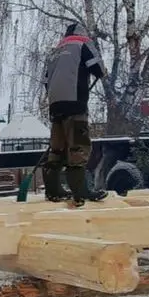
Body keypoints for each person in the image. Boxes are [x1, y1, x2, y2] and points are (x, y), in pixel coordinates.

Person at [43, 22, 106, 206]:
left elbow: (46, 81)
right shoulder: (83, 43)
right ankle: (80, 190)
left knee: (58, 147)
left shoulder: (55, 51)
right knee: (78, 145)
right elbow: (99, 70)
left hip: (55, 104)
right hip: (75, 102)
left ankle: (53, 190)